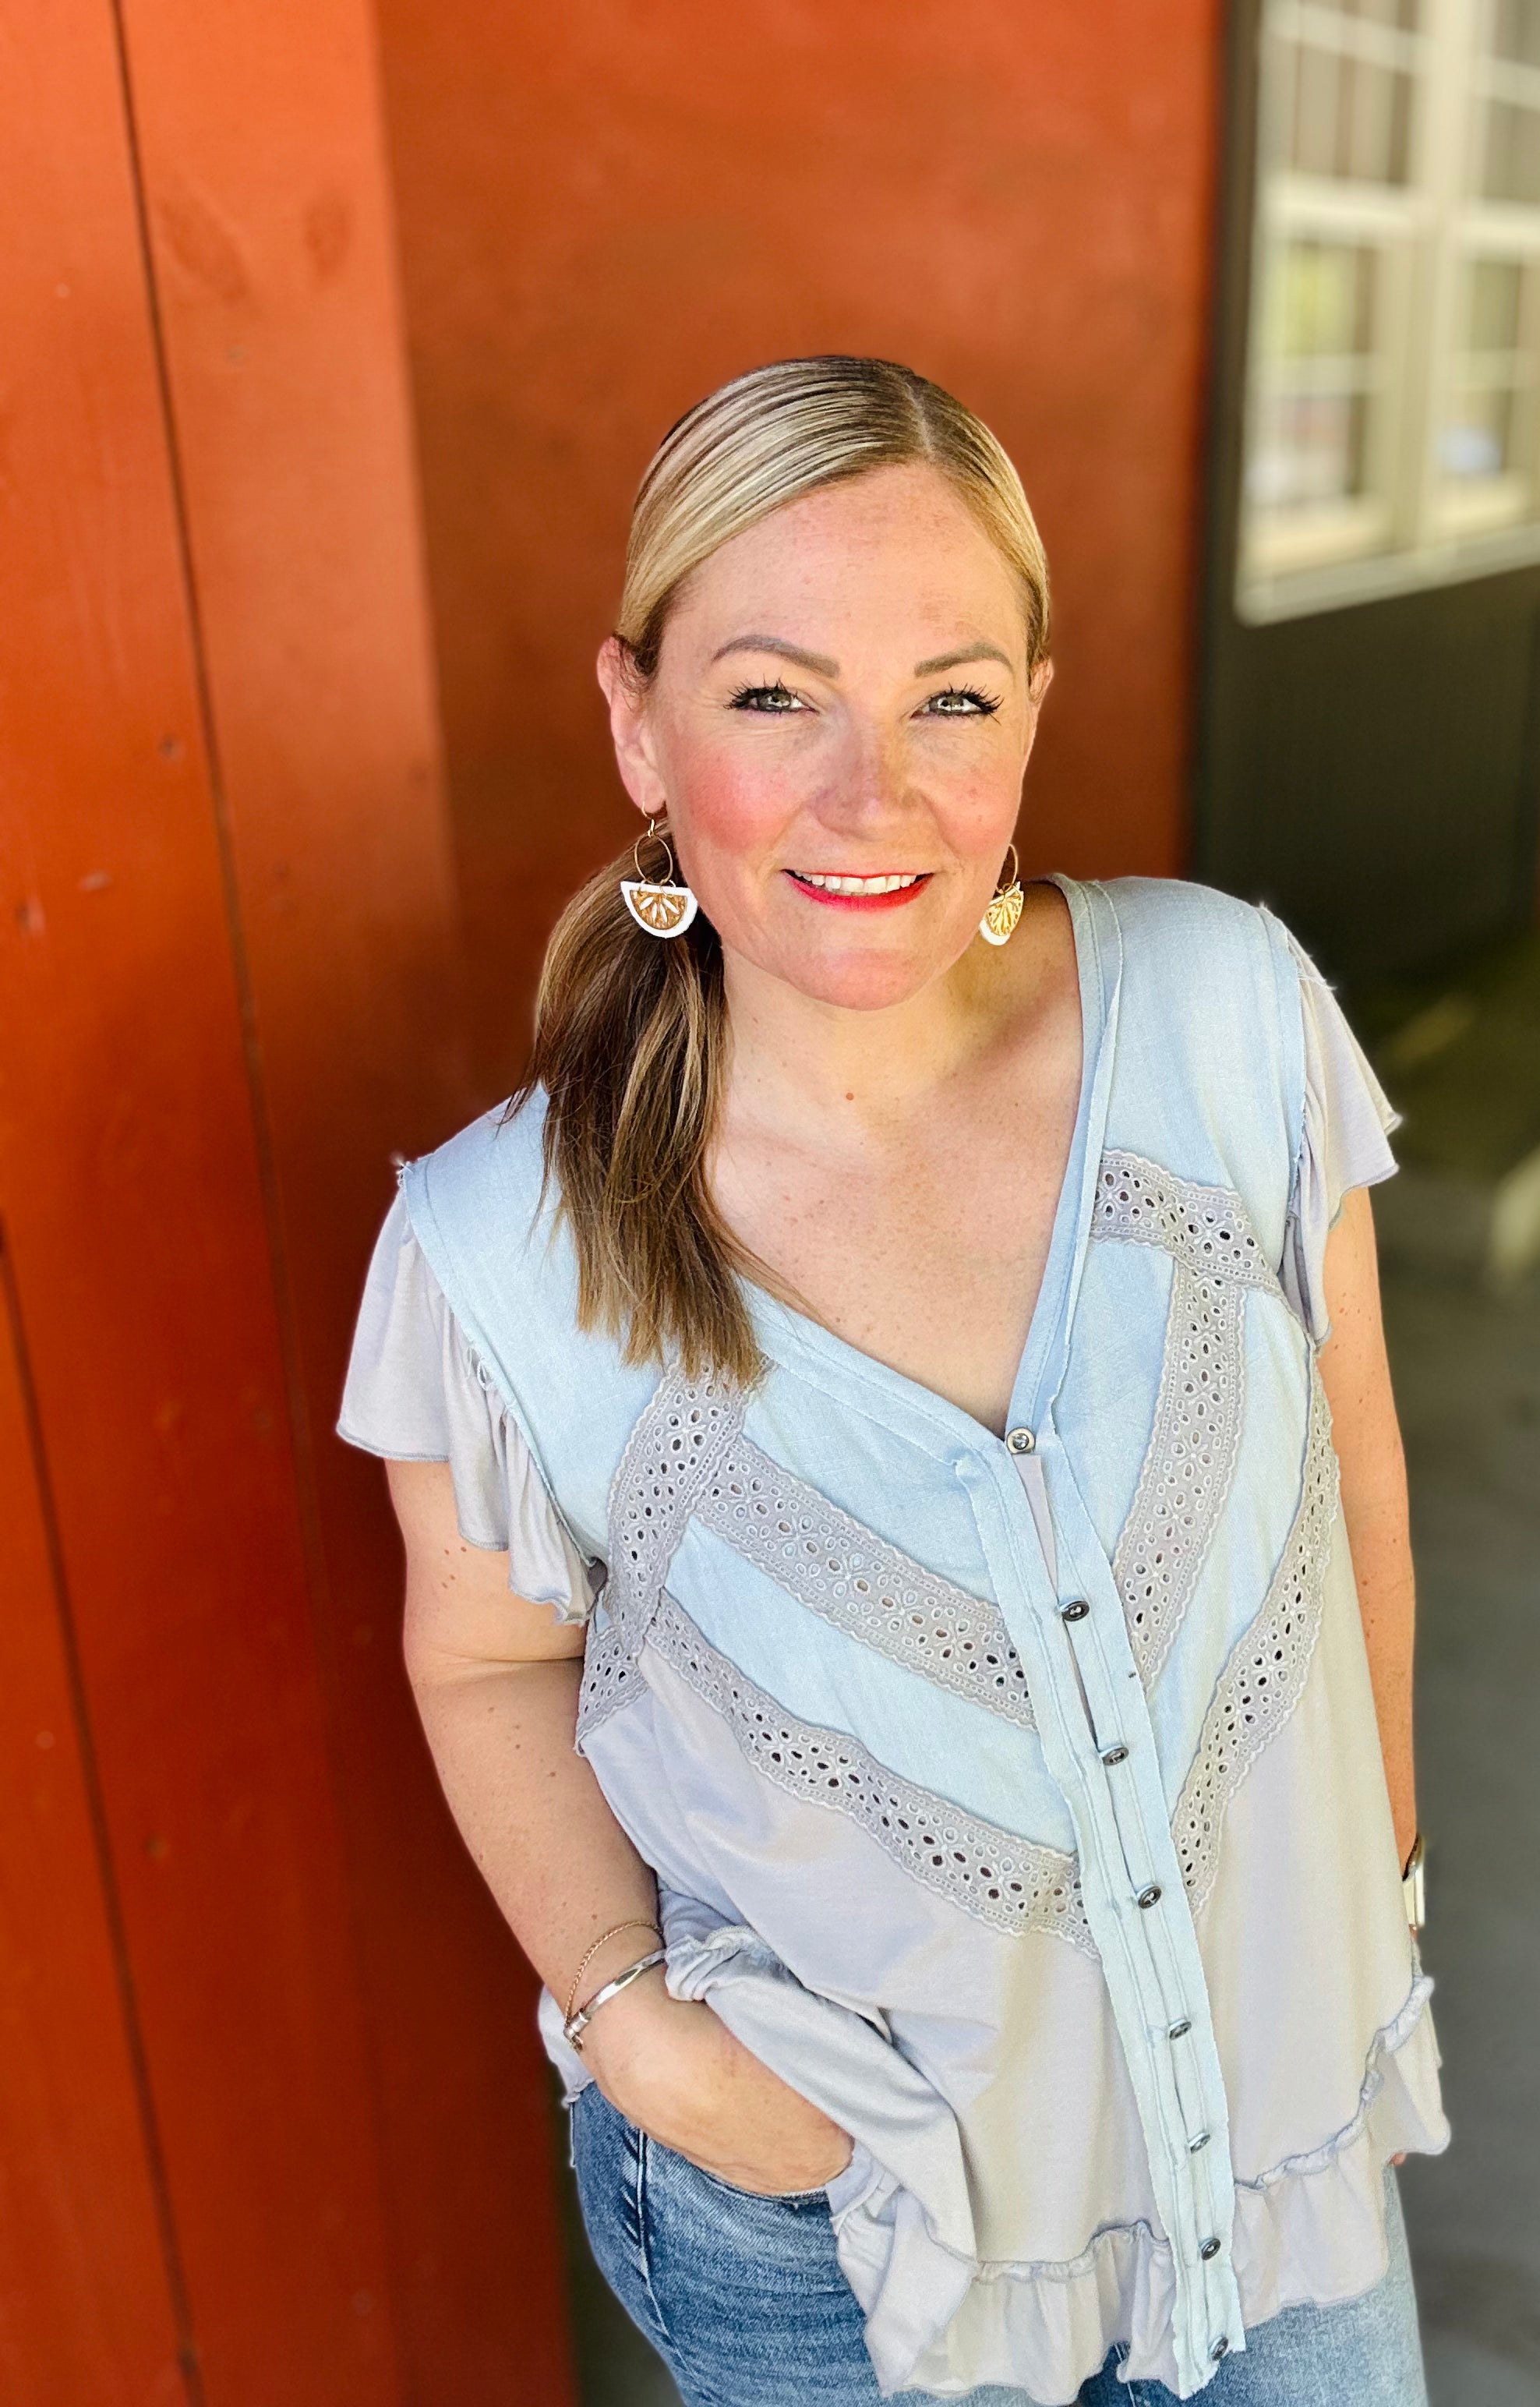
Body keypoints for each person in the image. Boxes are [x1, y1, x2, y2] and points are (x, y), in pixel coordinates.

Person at [340, 355, 1448, 2407]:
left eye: (950, 697)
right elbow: (483, 1660)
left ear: (1032, 708)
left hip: (1278, 2130)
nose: (874, 796)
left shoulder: (1227, 1016)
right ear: (637, 720)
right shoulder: (499, 1251)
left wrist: (1373, 1892)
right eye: (776, 696)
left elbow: (1354, 1478)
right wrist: (629, 2019)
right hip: (841, 2228)